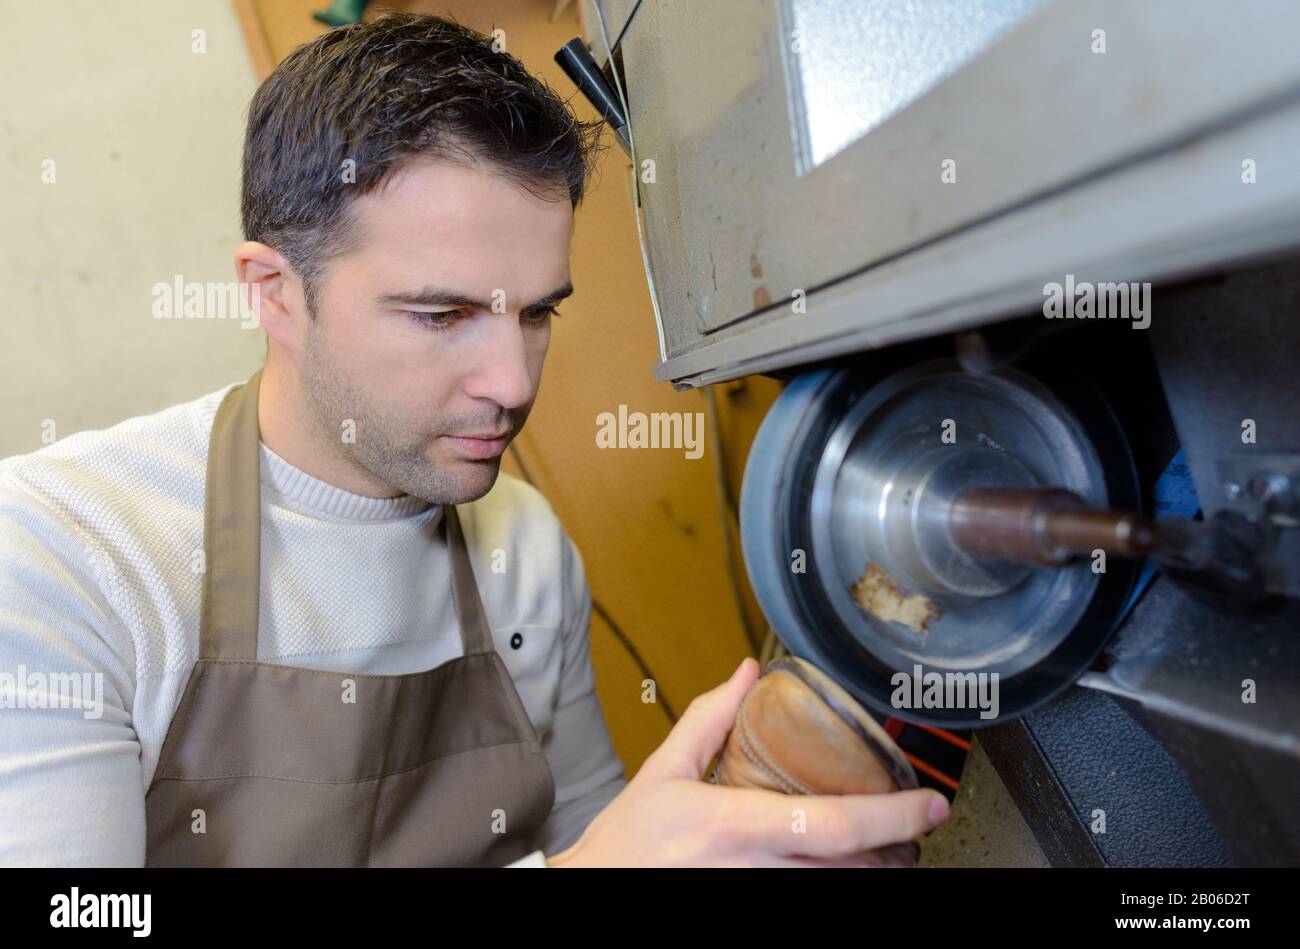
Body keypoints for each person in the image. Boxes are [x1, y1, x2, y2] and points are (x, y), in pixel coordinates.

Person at [0, 13, 947, 867]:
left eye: (537, 313)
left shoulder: (524, 542)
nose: (514, 382)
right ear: (273, 291)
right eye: (442, 314)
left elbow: (584, 825)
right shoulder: (62, 554)